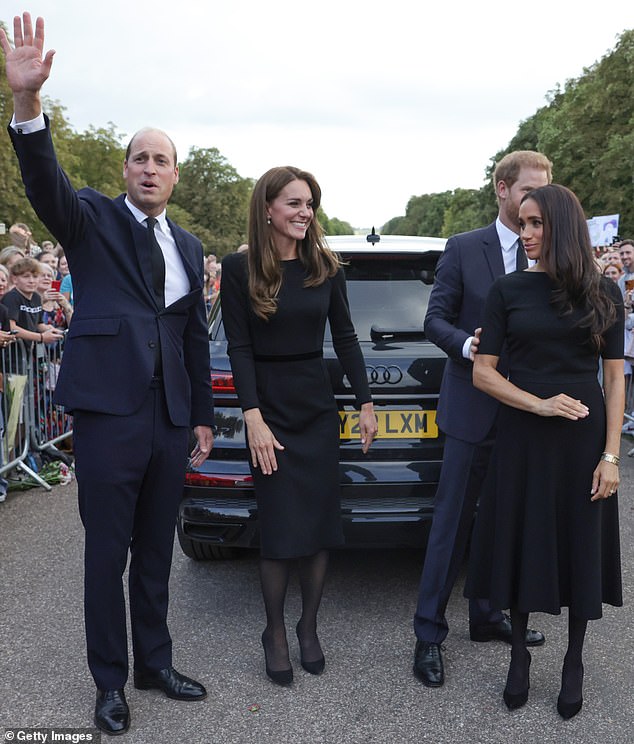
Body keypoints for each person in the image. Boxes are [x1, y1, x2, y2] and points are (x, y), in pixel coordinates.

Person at [1, 13, 214, 736]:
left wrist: (204, 418)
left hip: (169, 420)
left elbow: (189, 336)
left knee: (158, 551)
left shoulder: (187, 245)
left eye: (162, 160)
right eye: (140, 158)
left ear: (175, 176)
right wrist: (29, 107)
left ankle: (156, 662)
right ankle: (109, 682)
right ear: (126, 171)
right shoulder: (90, 219)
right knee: (107, 555)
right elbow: (44, 181)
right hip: (108, 417)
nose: (150, 168)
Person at [465, 184, 623, 718]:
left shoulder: (605, 292)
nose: (527, 234)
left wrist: (611, 456)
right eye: (522, 223)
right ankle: (517, 657)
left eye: (536, 224)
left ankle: (574, 660)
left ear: (562, 226)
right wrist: (537, 405)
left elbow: (614, 376)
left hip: (583, 439)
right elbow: (483, 373)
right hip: (523, 434)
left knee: (580, 539)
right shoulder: (507, 291)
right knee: (518, 533)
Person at [221, 166, 377, 686]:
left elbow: (348, 338)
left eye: (309, 203)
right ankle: (275, 632)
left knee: (318, 526)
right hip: (269, 411)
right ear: (267, 208)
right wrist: (252, 416)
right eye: (293, 203)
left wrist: (366, 403)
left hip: (315, 407)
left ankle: (308, 626)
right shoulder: (238, 270)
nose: (304, 212)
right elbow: (238, 346)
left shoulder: (325, 266)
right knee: (281, 528)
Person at [412, 150, 552, 688]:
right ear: (501, 187)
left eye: (542, 194)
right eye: (527, 192)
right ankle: (428, 634)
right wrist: (466, 346)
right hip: (472, 410)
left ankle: (488, 617)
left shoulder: (550, 252)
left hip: (527, 415)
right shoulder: (465, 248)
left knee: (506, 522)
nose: (534, 203)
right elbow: (434, 320)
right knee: (451, 526)